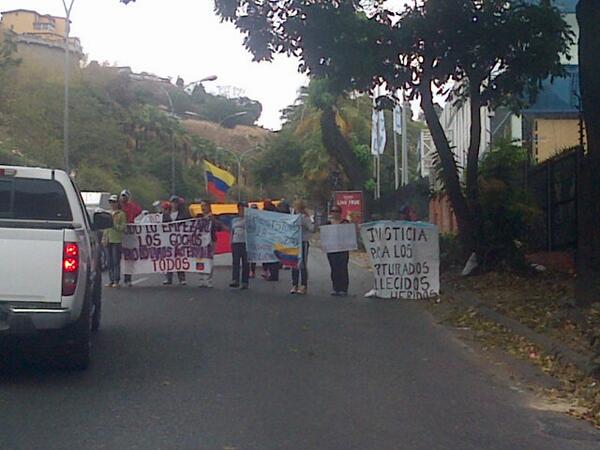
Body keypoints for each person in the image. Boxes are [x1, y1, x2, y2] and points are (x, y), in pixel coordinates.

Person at [162, 195, 190, 285]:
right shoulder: (166, 215)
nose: (174, 204)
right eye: (172, 202)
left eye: (175, 202)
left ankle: (182, 278)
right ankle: (168, 278)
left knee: (179, 259)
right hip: (169, 240)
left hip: (179, 239)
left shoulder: (183, 214)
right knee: (169, 258)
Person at [290, 199, 314, 295]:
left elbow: (311, 229)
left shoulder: (305, 218)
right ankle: (294, 284)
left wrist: (305, 224)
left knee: (302, 263)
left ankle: (303, 285)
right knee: (294, 263)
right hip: (294, 242)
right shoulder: (293, 217)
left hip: (303, 242)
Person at [103, 194, 127, 288]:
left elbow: (123, 228)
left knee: (116, 261)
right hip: (108, 239)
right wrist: (104, 238)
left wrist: (115, 225)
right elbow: (106, 228)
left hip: (116, 240)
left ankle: (116, 280)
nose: (112, 204)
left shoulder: (121, 214)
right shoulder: (108, 213)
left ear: (117, 203)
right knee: (109, 261)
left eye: (114, 202)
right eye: (111, 202)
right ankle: (111, 279)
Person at [199, 200, 224, 288]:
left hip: (211, 240)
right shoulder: (199, 217)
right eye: (201, 206)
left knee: (210, 260)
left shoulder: (213, 217)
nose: (203, 207)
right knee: (200, 259)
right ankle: (202, 279)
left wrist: (212, 220)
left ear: (209, 207)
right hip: (200, 241)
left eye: (204, 205)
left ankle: (209, 279)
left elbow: (219, 227)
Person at [326, 205, 350, 296]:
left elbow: (350, 234)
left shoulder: (345, 222)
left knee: (343, 268)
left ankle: (343, 288)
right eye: (333, 211)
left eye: (337, 211)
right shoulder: (328, 223)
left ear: (340, 213)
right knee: (334, 268)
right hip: (331, 249)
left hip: (343, 249)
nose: (335, 213)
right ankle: (335, 287)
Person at [119, 189, 142, 287]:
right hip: (120, 234)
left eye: (125, 196)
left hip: (130, 233)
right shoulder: (119, 206)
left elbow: (139, 211)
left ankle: (128, 278)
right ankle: (117, 278)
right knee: (120, 257)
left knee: (129, 256)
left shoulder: (132, 206)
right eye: (122, 196)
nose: (123, 198)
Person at [230, 202, 249, 289]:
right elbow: (232, 231)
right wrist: (231, 242)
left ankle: (245, 281)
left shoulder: (249, 220)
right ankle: (235, 279)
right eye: (240, 209)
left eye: (243, 209)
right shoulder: (234, 220)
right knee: (235, 262)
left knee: (245, 262)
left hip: (246, 242)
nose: (241, 211)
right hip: (236, 242)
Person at [263, 199, 280, 281]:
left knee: (272, 256)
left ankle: (273, 274)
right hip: (270, 236)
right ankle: (272, 273)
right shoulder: (275, 212)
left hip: (272, 236)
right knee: (272, 256)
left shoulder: (272, 213)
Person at [249, 203, 259, 278]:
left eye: (255, 208)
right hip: (249, 238)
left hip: (256, 238)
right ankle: (250, 271)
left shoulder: (259, 217)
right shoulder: (248, 217)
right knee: (248, 256)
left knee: (253, 256)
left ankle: (253, 271)